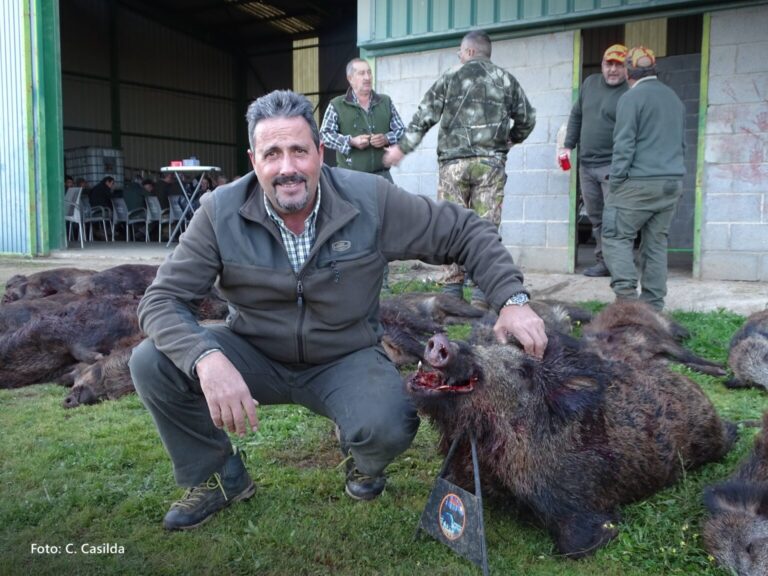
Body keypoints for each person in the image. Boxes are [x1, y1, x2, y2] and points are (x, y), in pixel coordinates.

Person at [128, 89, 547, 532]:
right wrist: (206, 358)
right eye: (272, 154)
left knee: (388, 423)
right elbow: (160, 300)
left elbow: (466, 230)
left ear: (320, 153)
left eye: (299, 151)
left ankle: (360, 455)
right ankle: (218, 477)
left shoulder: (370, 199)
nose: (287, 168)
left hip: (345, 355)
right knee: (151, 361)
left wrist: (512, 301)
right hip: (253, 351)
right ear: (253, 160)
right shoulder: (219, 213)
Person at [384, 29, 536, 308]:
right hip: (490, 165)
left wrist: (401, 148)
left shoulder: (451, 77)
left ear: (469, 51)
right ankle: (481, 292)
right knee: (485, 228)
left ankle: (452, 293)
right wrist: (510, 140)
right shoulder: (506, 80)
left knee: (449, 226)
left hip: (453, 165)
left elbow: (424, 116)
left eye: (460, 52)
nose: (459, 56)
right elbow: (528, 119)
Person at [603, 46, 686, 311]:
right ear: (654, 69)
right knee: (656, 243)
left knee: (615, 236)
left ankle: (628, 304)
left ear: (628, 71)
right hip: (671, 183)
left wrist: (616, 182)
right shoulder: (673, 97)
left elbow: (624, 144)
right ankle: (653, 307)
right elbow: (681, 143)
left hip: (639, 182)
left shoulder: (631, 98)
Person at [561, 44, 629, 277]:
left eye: (618, 65)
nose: (613, 70)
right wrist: (568, 145)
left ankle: (619, 263)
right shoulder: (590, 84)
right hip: (587, 165)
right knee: (596, 217)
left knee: (615, 217)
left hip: (613, 165)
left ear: (627, 68)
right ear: (602, 65)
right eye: (609, 64)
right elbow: (576, 115)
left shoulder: (630, 92)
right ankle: (604, 262)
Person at [320, 58, 405, 183]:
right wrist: (351, 141)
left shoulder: (385, 101)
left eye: (369, 72)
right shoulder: (337, 105)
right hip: (350, 179)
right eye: (361, 73)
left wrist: (386, 138)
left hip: (382, 178)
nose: (367, 77)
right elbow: (325, 135)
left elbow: (401, 130)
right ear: (350, 79)